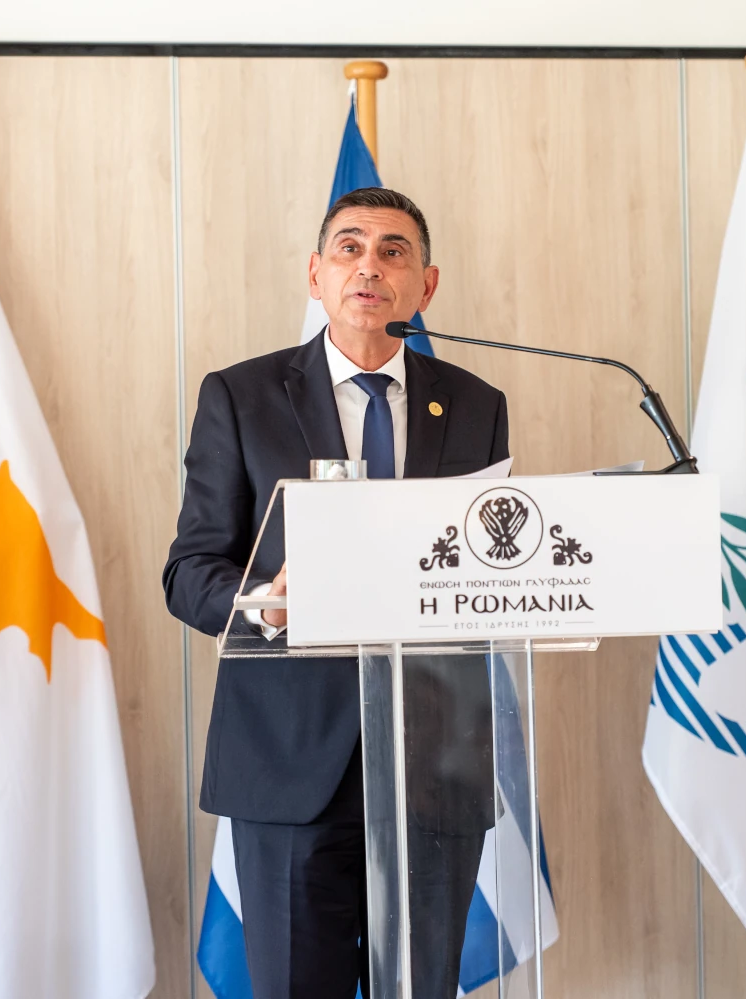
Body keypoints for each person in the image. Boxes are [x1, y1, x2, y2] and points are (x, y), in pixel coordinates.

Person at [163, 187, 509, 998]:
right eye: (349, 248)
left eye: (394, 251)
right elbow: (191, 569)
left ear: (426, 286)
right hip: (290, 762)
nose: (369, 266)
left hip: (435, 760)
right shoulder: (241, 397)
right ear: (315, 275)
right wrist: (265, 602)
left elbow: (488, 567)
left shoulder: (476, 404)